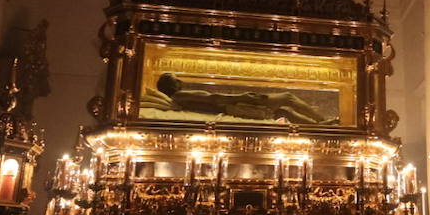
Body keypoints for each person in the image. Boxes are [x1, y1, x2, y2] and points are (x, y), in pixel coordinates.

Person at [143, 72, 338, 125]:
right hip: (236, 104)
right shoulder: (181, 95)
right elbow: (213, 97)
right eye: (177, 79)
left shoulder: (180, 97)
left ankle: (319, 125)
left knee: (283, 111)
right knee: (287, 98)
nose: (181, 81)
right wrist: (241, 95)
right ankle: (320, 122)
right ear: (172, 84)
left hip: (233, 106)